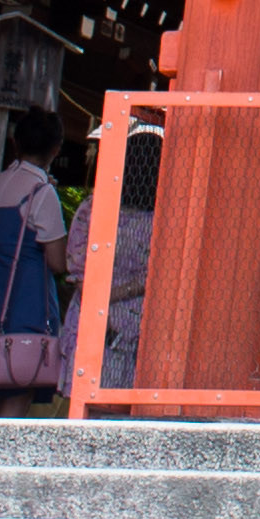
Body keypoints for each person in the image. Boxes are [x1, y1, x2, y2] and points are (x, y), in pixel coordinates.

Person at [0, 132, 79, 413]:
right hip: (27, 299)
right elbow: (58, 262)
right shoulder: (40, 192)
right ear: (56, 148)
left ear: (15, 143)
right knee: (20, 382)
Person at [98, 122, 158, 391]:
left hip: (92, 312)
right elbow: (157, 274)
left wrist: (100, 297)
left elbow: (73, 265)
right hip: (143, 318)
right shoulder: (162, 220)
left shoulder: (93, 210)